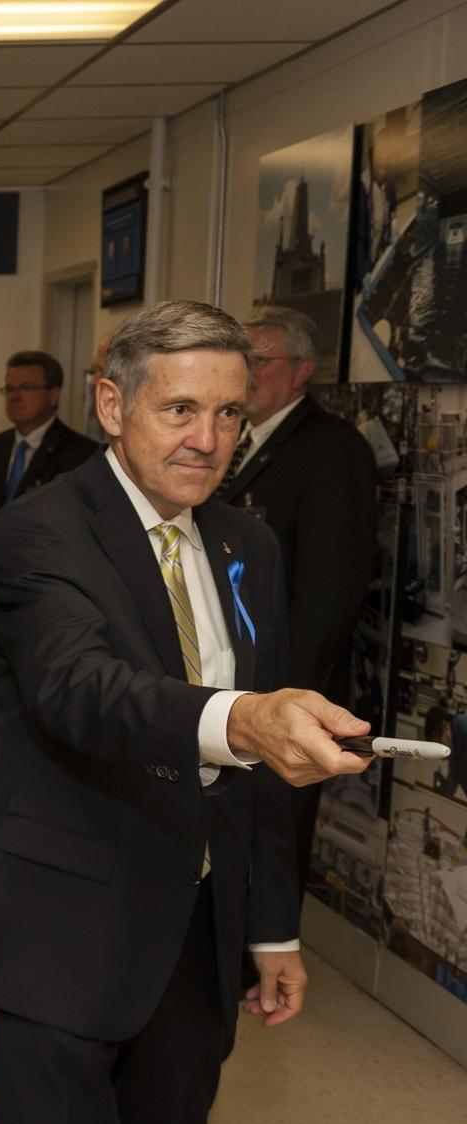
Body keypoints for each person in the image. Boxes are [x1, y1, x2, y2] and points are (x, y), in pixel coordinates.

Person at [0, 301, 373, 1124]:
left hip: (198, 926)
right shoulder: (38, 530)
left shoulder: (247, 543)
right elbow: (82, 689)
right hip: (69, 921)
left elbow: (271, 758)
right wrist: (241, 718)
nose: (207, 440)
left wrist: (273, 928)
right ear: (111, 405)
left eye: (229, 414)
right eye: (180, 409)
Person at [220, 306, 378, 885]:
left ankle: (263, 941)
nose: (248, 372)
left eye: (262, 360)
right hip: (231, 682)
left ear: (302, 371)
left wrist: (296, 695)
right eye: (243, 359)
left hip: (285, 687)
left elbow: (328, 593)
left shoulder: (332, 449)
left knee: (271, 844)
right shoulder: (235, 439)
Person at [0, 350, 102, 832]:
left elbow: (74, 537)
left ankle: (35, 812)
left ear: (54, 394)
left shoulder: (82, 456)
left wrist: (11, 579)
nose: (15, 397)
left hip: (42, 613)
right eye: (9, 389)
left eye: (26, 388)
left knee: (37, 714)